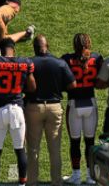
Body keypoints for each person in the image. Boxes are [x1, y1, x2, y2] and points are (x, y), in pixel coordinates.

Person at [0, 37, 36, 186]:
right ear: (14, 49)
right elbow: (32, 87)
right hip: (17, 110)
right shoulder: (25, 62)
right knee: (20, 150)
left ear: (0, 50)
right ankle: (22, 184)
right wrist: (20, 88)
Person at [27, 34, 77, 186]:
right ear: (47, 46)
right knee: (54, 148)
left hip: (34, 107)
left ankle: (32, 181)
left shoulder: (30, 63)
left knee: (33, 148)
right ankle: (56, 181)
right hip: (54, 107)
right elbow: (72, 85)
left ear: (35, 48)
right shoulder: (60, 63)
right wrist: (58, 87)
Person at [61, 34, 104, 185]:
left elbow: (62, 82)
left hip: (74, 104)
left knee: (74, 142)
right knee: (90, 142)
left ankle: (76, 176)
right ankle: (91, 177)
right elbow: (101, 81)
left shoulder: (66, 59)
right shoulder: (97, 58)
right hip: (90, 103)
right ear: (89, 43)